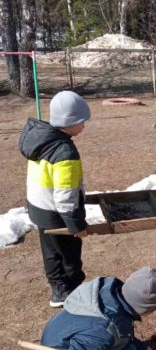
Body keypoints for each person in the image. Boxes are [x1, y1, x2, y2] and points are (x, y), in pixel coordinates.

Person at [19, 90, 91, 308]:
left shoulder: (42, 138)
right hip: (57, 214)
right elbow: (65, 193)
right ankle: (73, 290)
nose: (84, 126)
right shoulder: (65, 152)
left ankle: (58, 289)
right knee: (69, 253)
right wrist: (75, 224)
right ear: (70, 123)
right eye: (82, 121)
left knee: (51, 252)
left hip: (39, 207)